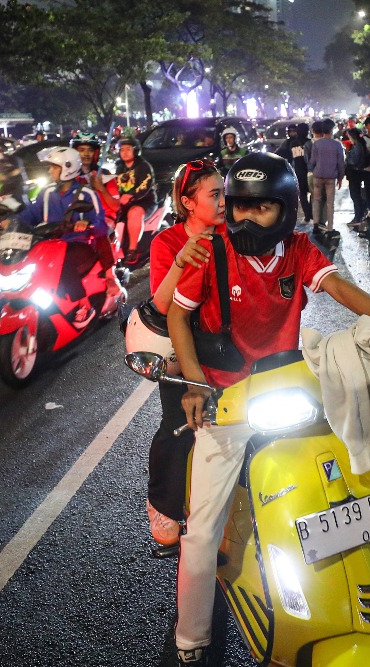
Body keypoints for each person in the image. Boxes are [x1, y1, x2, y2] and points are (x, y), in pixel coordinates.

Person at [167, 152, 370, 666]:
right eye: (238, 207)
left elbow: (338, 287)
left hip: (289, 388)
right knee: (202, 528)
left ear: (285, 209)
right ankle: (191, 639)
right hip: (228, 399)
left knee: (349, 482)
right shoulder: (209, 252)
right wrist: (194, 386)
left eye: (260, 209)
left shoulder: (298, 249)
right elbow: (177, 317)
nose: (246, 218)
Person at [138, 158, 220, 557]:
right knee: (179, 424)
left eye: (225, 193)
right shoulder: (166, 241)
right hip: (179, 347)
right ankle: (164, 504)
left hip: (226, 346)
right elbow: (160, 303)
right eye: (214, 194)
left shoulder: (232, 234)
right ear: (189, 202)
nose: (224, 202)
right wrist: (183, 258)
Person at [14, 146, 123, 312]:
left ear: (67, 168)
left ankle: (82, 305)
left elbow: (100, 225)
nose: (50, 171)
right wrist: (12, 221)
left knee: (60, 265)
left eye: (54, 167)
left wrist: (86, 223)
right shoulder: (47, 193)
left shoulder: (87, 194)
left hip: (79, 245)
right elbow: (31, 214)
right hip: (50, 245)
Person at [114, 137, 157, 265]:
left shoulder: (144, 166)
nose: (125, 152)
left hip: (144, 201)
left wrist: (130, 196)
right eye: (122, 150)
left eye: (128, 149)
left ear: (135, 150)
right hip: (124, 201)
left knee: (134, 213)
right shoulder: (119, 167)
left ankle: (132, 250)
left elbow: (145, 185)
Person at [307, 118, 344, 234]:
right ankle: (330, 228)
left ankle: (315, 225)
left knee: (316, 200)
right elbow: (341, 163)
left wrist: (312, 169)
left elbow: (312, 161)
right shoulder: (337, 145)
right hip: (331, 177)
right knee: (330, 202)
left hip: (318, 176)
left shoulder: (316, 144)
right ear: (332, 130)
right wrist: (340, 177)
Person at [276, 123, 311, 223]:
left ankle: (308, 214)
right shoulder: (309, 143)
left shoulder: (292, 144)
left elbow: (285, 156)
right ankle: (310, 213)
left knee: (302, 194)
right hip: (310, 172)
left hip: (299, 171)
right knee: (313, 194)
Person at [343, 127, 369, 227]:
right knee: (356, 195)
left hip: (354, 173)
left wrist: (347, 157)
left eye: (349, 136)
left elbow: (353, 161)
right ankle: (360, 214)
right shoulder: (359, 145)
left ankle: (358, 216)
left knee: (355, 195)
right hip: (356, 173)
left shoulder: (357, 146)